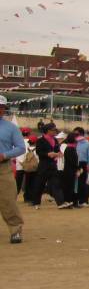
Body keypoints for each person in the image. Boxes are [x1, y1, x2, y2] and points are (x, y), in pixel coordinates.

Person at [0, 95, 26, 243]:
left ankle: (15, 230)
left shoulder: (11, 128)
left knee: (8, 200)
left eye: (1, 107)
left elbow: (21, 148)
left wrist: (4, 155)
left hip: (3, 168)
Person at [29, 123, 68, 208]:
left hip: (53, 165)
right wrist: (47, 154)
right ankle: (36, 203)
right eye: (53, 130)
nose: (55, 132)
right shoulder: (40, 140)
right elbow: (38, 152)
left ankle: (60, 203)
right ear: (48, 131)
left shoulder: (55, 140)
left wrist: (58, 153)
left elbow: (57, 150)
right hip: (44, 165)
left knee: (56, 184)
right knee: (40, 185)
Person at [72, 127, 89, 207]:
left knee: (82, 183)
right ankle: (75, 201)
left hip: (83, 164)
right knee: (74, 183)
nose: (75, 135)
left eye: (76, 133)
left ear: (81, 134)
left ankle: (83, 201)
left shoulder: (87, 143)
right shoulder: (74, 142)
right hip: (74, 164)